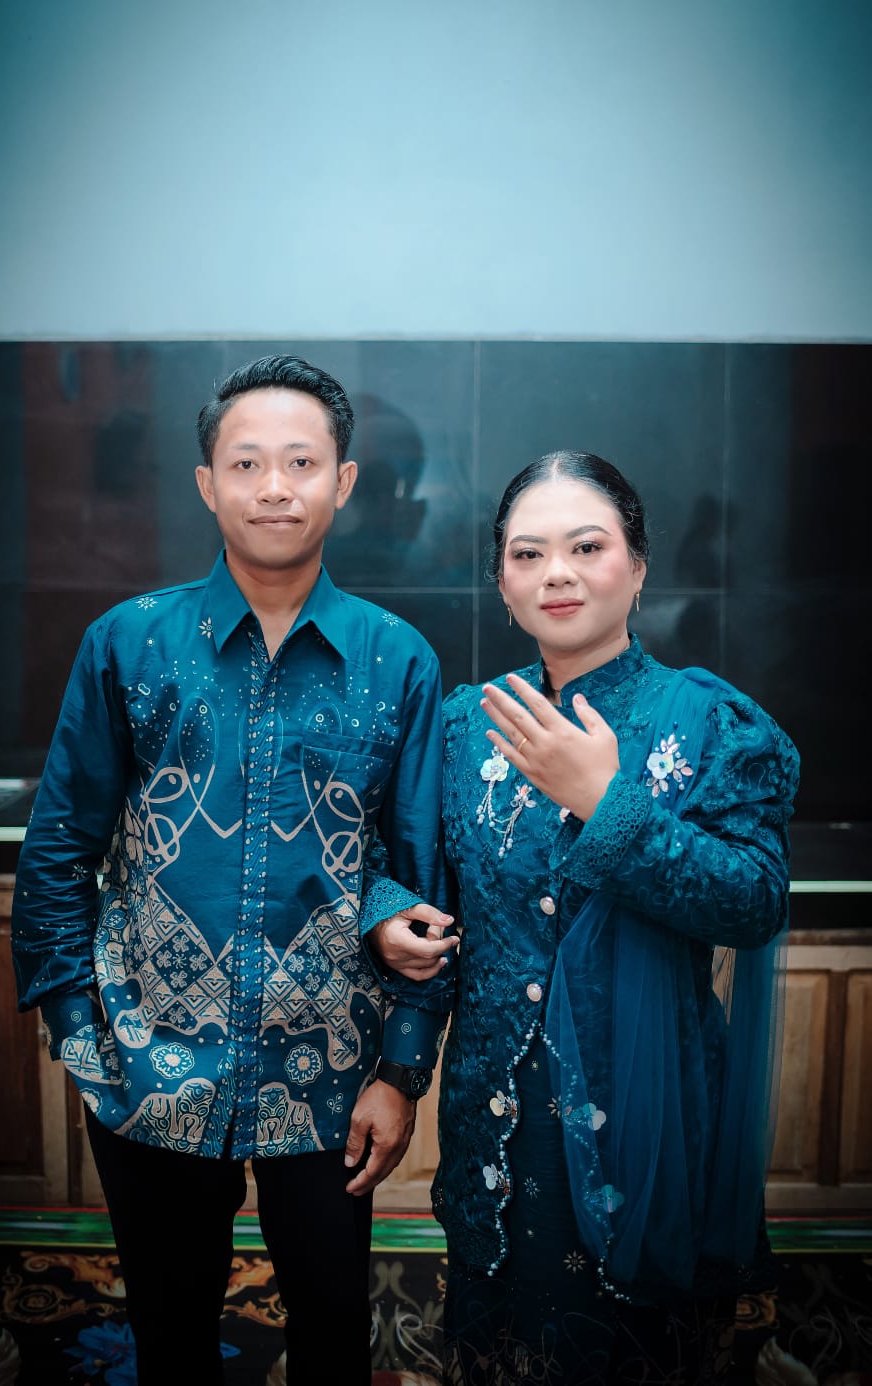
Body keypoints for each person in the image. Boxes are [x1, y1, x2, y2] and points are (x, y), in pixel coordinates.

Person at [10, 354, 455, 1385]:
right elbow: (60, 845)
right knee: (168, 1331)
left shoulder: (398, 659)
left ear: (343, 482)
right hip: (148, 1057)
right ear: (207, 484)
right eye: (246, 463)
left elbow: (418, 871)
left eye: (301, 461)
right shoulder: (130, 643)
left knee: (334, 1327)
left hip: (331, 1069)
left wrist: (400, 1072)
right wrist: (79, 1031)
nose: (274, 487)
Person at [374, 450, 800, 1384]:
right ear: (502, 584)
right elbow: (405, 877)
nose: (556, 573)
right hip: (493, 1116)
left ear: (638, 567)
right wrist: (389, 924)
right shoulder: (465, 727)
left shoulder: (712, 724)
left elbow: (755, 902)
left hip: (643, 1116)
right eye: (527, 555)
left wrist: (608, 804)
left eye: (586, 547)